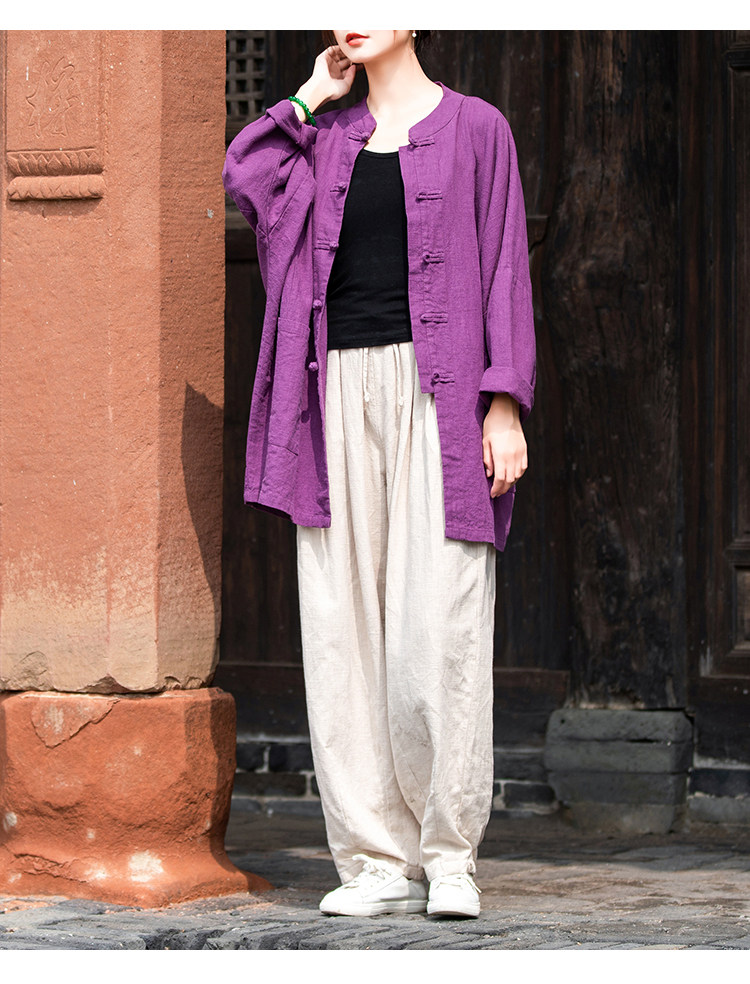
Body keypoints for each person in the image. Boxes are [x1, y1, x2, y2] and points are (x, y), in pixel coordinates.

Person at [222, 30, 536, 919]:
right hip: (333, 398)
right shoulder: (326, 138)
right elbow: (246, 177)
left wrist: (503, 403)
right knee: (342, 626)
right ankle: (372, 862)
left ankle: (448, 857)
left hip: (441, 398)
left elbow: (505, 263)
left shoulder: (478, 128)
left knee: (441, 624)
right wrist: (308, 97)